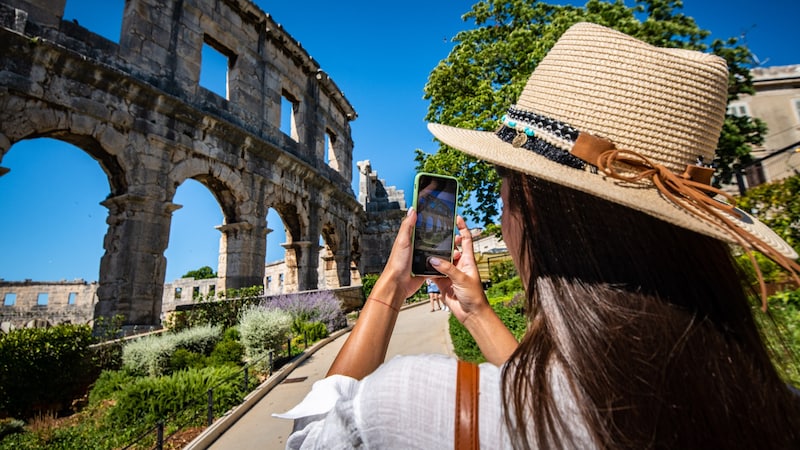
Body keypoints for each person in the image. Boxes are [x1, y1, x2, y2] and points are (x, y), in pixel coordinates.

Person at [276, 22, 800, 448]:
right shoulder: (771, 405)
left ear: (529, 212)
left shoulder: (413, 402)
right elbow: (574, 395)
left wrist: (389, 290)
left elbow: (315, 436)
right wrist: (479, 312)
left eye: (505, 196)